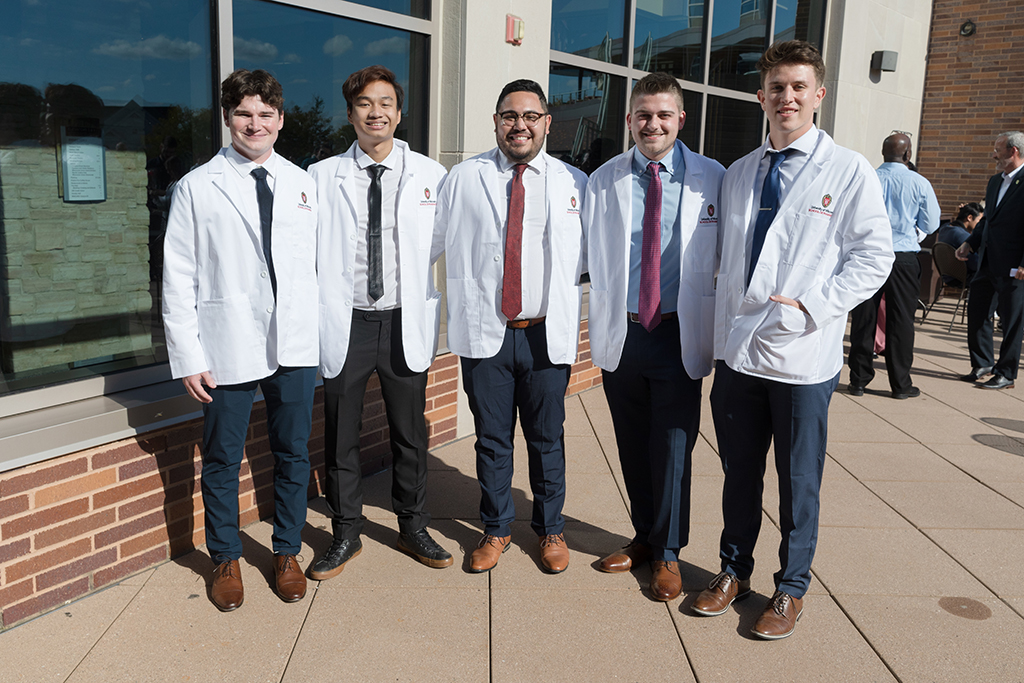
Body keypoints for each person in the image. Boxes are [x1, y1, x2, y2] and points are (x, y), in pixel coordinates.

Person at [695, 40, 893, 639]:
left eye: (798, 87)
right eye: (777, 87)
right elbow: (727, 261)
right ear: (761, 96)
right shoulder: (739, 172)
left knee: (798, 478)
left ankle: (791, 587)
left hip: (803, 353)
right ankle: (734, 571)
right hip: (739, 354)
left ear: (819, 94)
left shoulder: (849, 169)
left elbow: (874, 256)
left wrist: (815, 305)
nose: (787, 97)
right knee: (738, 474)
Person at [162, 69, 319, 611]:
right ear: (228, 118)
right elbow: (178, 276)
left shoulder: (303, 184)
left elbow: (320, 269)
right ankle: (225, 556)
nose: (255, 124)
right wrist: (188, 354)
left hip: (294, 343)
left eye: (265, 114)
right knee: (223, 457)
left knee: (293, 452)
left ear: (280, 119)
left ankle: (286, 550)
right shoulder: (196, 186)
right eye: (244, 114)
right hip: (225, 343)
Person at [431, 79, 587, 574]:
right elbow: (425, 246)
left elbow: (597, 257)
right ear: (496, 122)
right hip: (486, 333)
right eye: (508, 116)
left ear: (546, 123)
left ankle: (550, 528)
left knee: (547, 438)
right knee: (492, 439)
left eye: (529, 116)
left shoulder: (574, 183)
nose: (519, 125)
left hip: (545, 332)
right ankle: (496, 529)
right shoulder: (462, 177)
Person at [582, 73, 724, 601]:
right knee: (632, 442)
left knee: (672, 446)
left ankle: (668, 554)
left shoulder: (714, 178)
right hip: (625, 330)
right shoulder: (603, 179)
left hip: (678, 330)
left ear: (680, 119)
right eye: (643, 115)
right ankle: (643, 536)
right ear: (629, 120)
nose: (653, 124)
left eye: (663, 115)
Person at [307, 65, 452, 579]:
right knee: (339, 432)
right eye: (365, 104)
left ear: (399, 111)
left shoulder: (432, 175)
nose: (376, 113)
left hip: (402, 317)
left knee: (409, 433)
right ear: (350, 114)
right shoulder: (321, 177)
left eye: (386, 103)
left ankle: (413, 526)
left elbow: (440, 242)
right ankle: (345, 532)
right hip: (346, 321)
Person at [847, 133, 940, 399]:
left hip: (867, 254)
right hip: (903, 257)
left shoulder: (867, 178)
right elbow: (931, 224)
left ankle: (858, 381)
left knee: (864, 318)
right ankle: (900, 385)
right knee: (901, 321)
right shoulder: (919, 182)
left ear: (882, 152)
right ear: (908, 154)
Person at [956, 131, 1024, 388]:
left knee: (1011, 321)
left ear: (1013, 151)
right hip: (987, 261)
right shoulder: (996, 181)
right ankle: (983, 362)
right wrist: (969, 244)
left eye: (998, 150)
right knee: (978, 312)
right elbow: (988, 221)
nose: (994, 154)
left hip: (1013, 266)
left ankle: (1006, 373)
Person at [937, 202, 983, 285]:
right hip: (962, 277)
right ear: (969, 217)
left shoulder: (945, 228)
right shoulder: (963, 237)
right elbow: (976, 264)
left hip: (947, 275)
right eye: (979, 220)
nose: (980, 224)